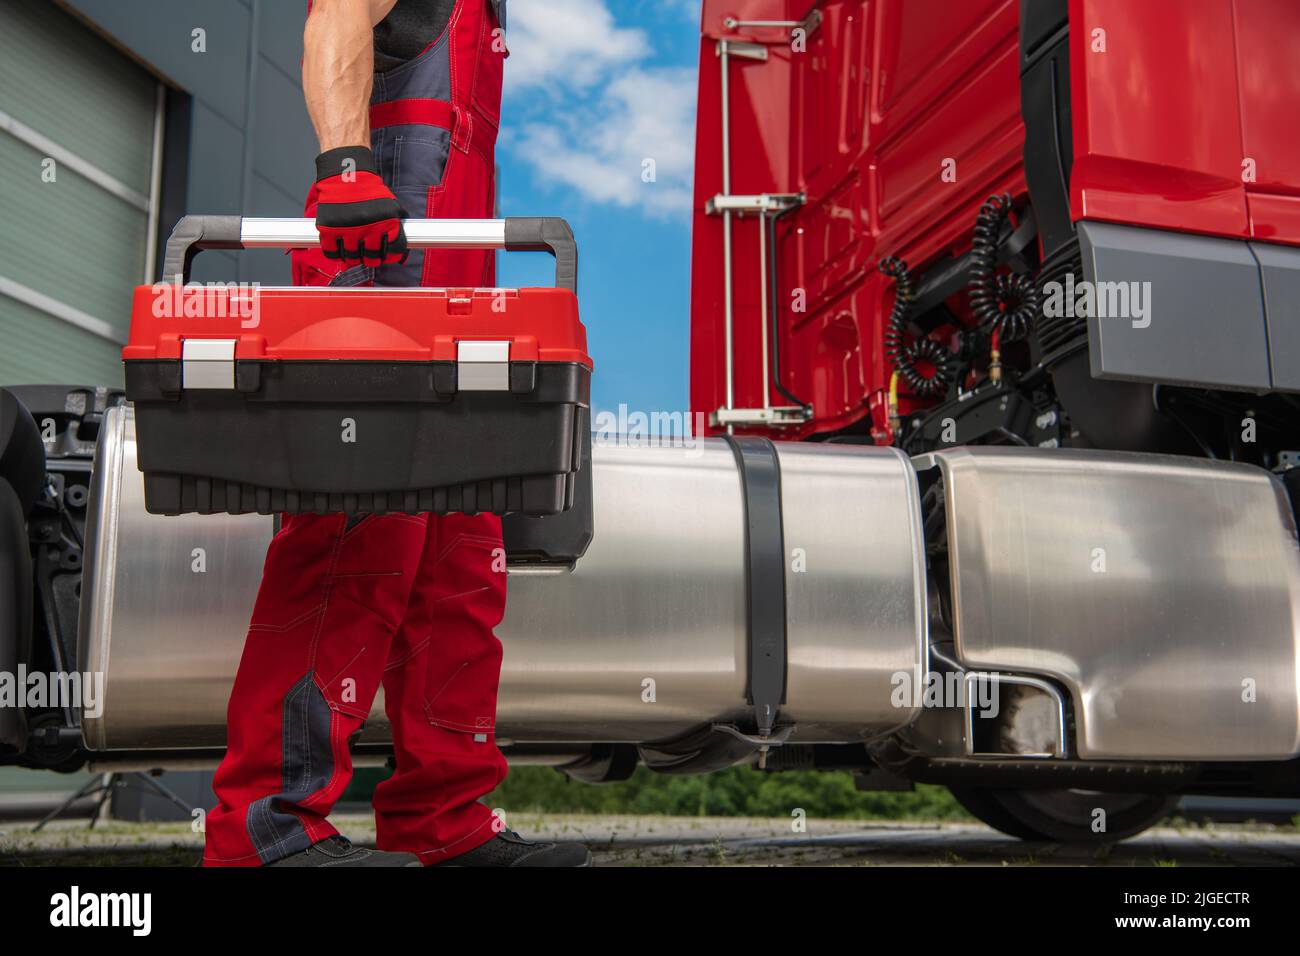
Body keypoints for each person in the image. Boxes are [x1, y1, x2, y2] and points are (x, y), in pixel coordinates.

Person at [202, 0, 591, 868]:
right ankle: (264, 832)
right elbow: (335, 19)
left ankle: (443, 825)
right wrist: (345, 168)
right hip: (377, 273)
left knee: (461, 562)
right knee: (351, 543)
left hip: (459, 299)